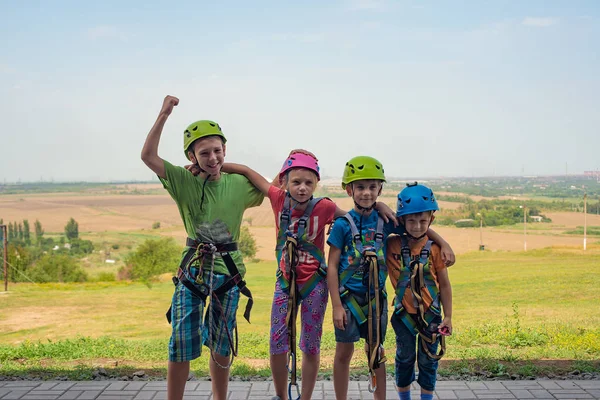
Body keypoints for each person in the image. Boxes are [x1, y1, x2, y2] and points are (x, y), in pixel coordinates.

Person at [221, 152, 396, 400]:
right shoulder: (277, 198)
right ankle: (282, 396)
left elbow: (354, 217)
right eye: (296, 182)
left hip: (315, 283)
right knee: (277, 342)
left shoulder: (323, 207)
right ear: (284, 182)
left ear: (316, 184)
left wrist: (378, 204)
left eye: (308, 183)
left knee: (310, 344)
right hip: (284, 282)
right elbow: (249, 172)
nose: (302, 188)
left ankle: (305, 398)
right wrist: (214, 167)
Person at [140, 95, 264, 400]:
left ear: (225, 151)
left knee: (222, 346)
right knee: (181, 342)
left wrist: (242, 168)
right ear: (191, 157)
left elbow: (272, 189)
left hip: (228, 274)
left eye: (217, 151)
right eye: (204, 153)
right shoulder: (184, 181)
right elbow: (148, 156)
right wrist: (163, 114)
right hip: (193, 272)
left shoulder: (237, 183)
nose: (212, 158)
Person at [327, 157, 454, 400]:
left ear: (380, 189)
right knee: (344, 352)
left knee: (376, 351)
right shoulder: (343, 225)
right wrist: (335, 306)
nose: (366, 193)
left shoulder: (385, 222)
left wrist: (443, 242)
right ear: (349, 189)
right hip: (347, 300)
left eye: (373, 187)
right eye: (361, 187)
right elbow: (332, 266)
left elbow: (417, 227)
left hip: (377, 300)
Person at [386, 183, 453, 400]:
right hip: (403, 315)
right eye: (411, 220)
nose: (416, 226)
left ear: (431, 220)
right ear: (402, 220)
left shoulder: (434, 250)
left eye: (423, 221)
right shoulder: (392, 245)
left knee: (428, 360)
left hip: (431, 315)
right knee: (404, 359)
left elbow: (444, 285)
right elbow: (384, 224)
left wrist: (449, 316)